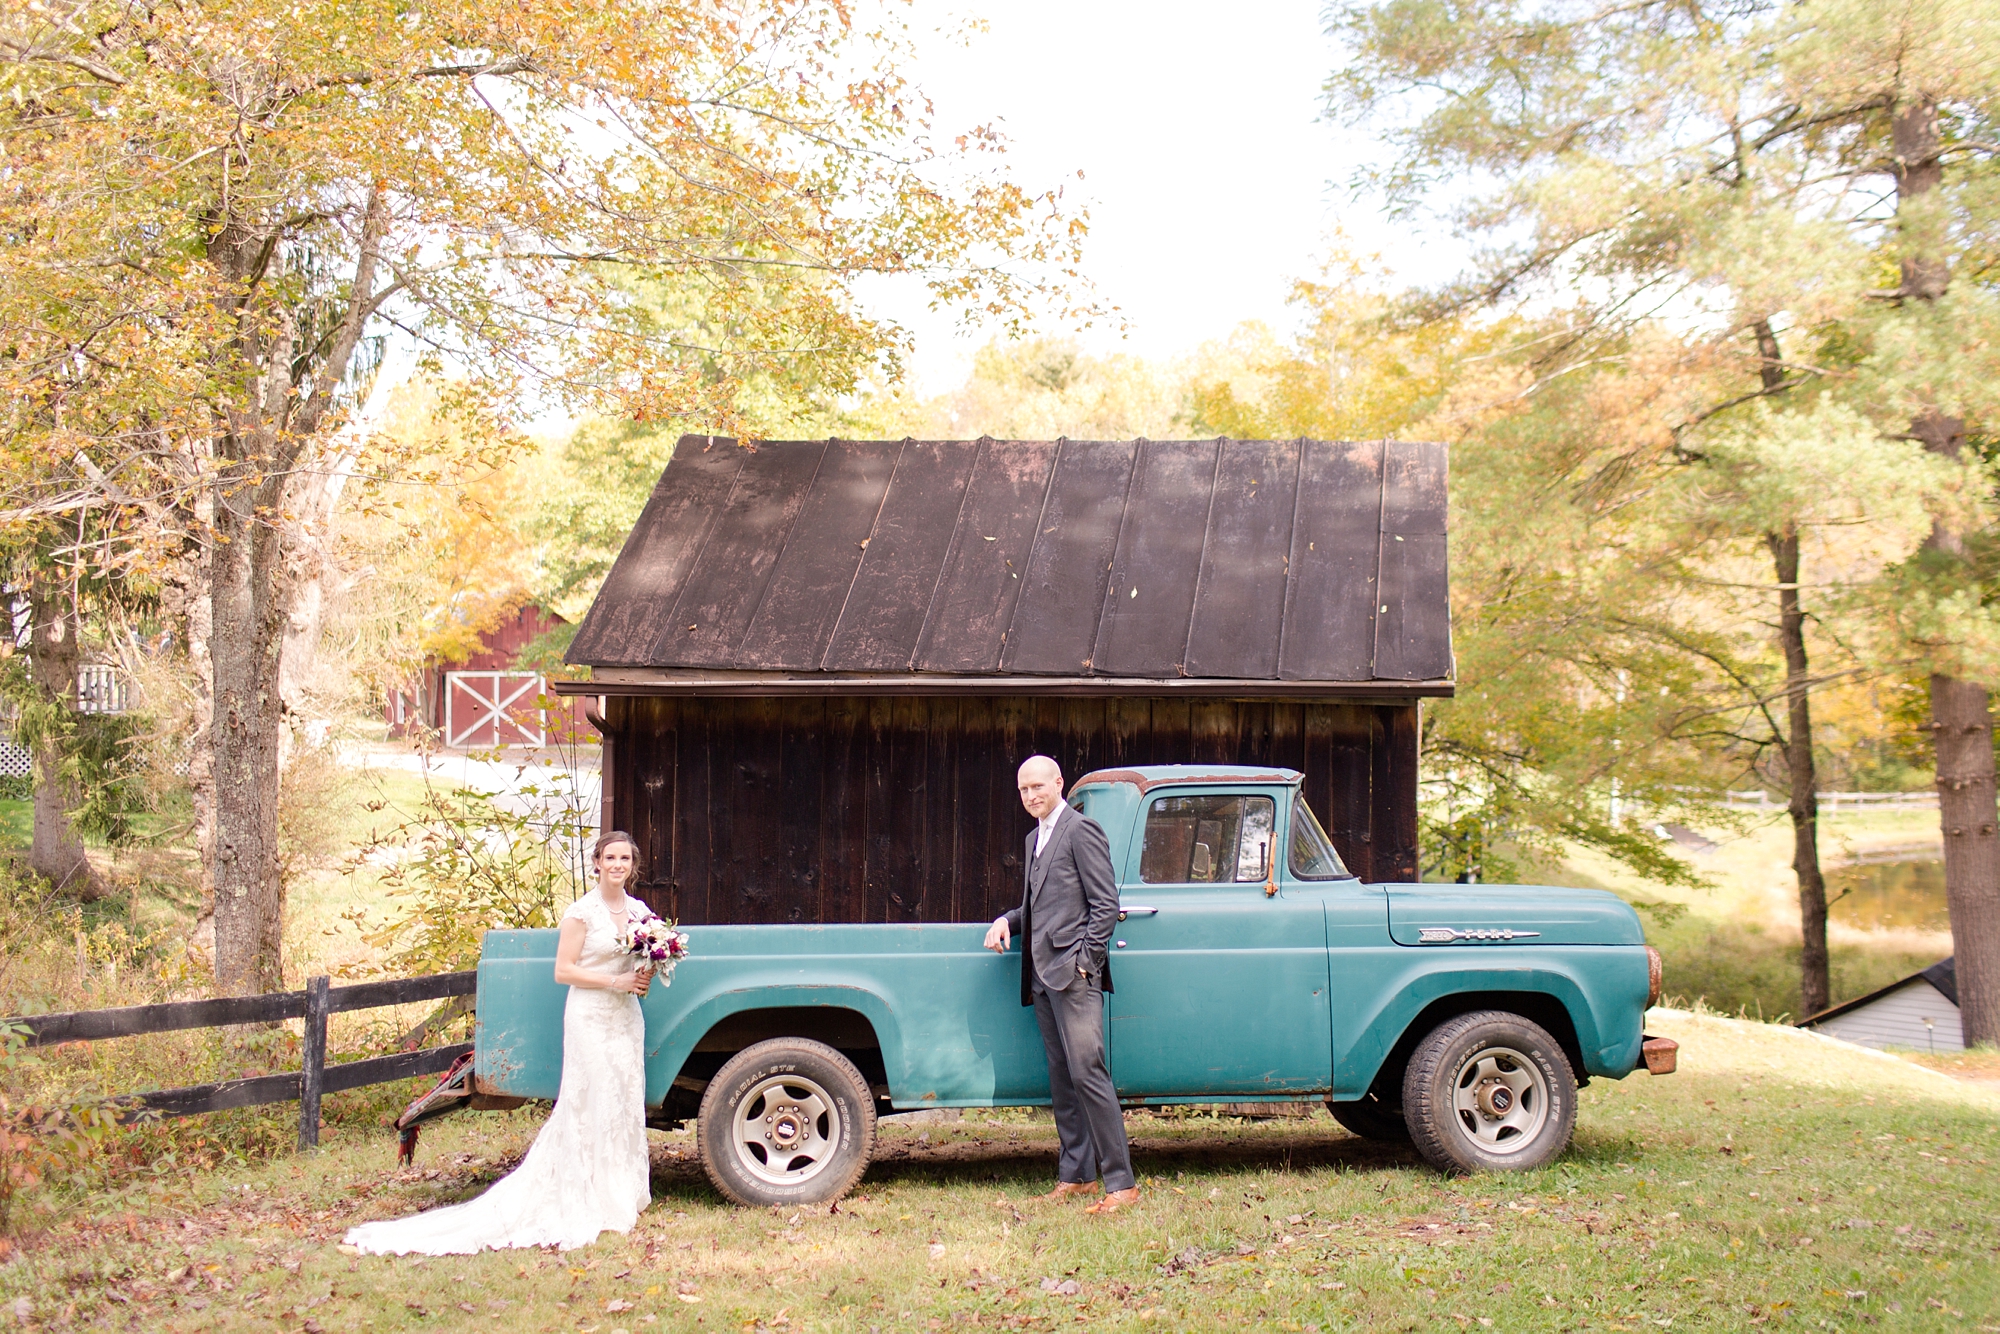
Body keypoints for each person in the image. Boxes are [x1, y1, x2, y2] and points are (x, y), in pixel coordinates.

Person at [343, 832, 657, 1254]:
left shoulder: (639, 912)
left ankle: (619, 1192)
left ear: (632, 865)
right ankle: (583, 1193)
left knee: (622, 1093)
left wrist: (644, 974)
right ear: (597, 863)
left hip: (625, 1017)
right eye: (609, 857)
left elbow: (643, 958)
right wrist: (613, 980)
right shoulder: (582, 912)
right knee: (591, 1098)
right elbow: (564, 971)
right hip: (591, 1015)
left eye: (624, 858)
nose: (617, 865)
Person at [984, 755, 1139, 1214]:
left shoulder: (1080, 830)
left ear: (1058, 784)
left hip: (1073, 976)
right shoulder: (1036, 836)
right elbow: (1041, 905)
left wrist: (1085, 965)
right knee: (1063, 1080)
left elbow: (1105, 905)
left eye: (1038, 787)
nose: (1031, 796)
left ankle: (1122, 1185)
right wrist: (1006, 919)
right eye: (1023, 790)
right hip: (1043, 977)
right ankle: (1076, 1176)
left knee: (1089, 1074)